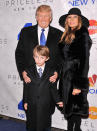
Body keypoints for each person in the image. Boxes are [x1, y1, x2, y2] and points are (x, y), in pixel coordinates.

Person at [58, 8, 92, 131]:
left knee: (75, 110)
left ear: (79, 20)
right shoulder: (66, 34)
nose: (71, 20)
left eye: (75, 17)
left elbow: (84, 61)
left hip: (75, 77)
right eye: (69, 17)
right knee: (70, 109)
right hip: (65, 78)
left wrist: (78, 85)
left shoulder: (82, 34)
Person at [15, 5, 62, 83]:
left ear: (50, 18)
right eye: (40, 15)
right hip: (29, 79)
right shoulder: (25, 32)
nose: (43, 19)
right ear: (36, 17)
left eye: (46, 16)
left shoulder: (59, 34)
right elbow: (19, 54)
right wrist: (22, 71)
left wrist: (57, 72)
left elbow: (61, 57)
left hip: (50, 80)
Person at [23, 45, 63, 131]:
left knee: (43, 125)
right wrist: (25, 101)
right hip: (32, 103)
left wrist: (58, 100)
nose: (38, 60)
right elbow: (26, 87)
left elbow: (53, 89)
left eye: (42, 57)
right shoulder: (28, 70)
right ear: (33, 57)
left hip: (45, 104)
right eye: (36, 57)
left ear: (47, 58)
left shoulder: (51, 71)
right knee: (31, 124)